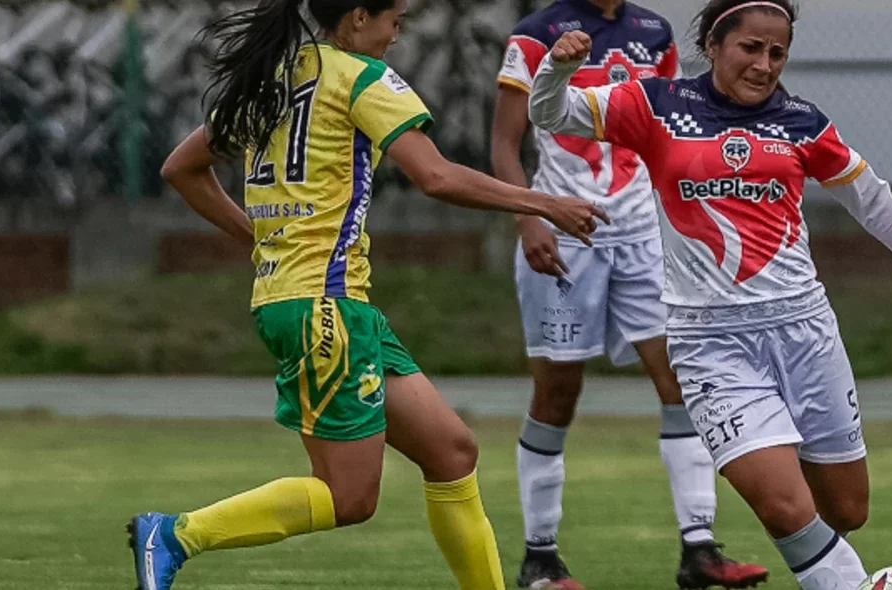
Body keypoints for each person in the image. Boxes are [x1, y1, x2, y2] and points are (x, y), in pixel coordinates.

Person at [130, 0, 608, 588]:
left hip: (319, 302)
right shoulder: (362, 78)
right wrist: (544, 202)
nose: (396, 35)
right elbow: (436, 175)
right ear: (358, 17)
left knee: (452, 452)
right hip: (325, 307)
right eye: (394, 21)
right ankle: (176, 534)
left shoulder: (276, 76)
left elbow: (181, 168)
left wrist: (261, 239)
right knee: (349, 496)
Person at [527, 0, 892, 587]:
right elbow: (550, 113)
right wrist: (558, 69)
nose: (764, 65)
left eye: (778, 53)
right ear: (713, 46)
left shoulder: (802, 122)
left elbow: (872, 200)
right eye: (750, 48)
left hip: (806, 333)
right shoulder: (656, 105)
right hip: (710, 344)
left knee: (847, 510)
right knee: (782, 507)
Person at [491, 1, 768, 588]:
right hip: (567, 237)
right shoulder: (536, 34)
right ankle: (540, 558)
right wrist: (530, 220)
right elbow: (503, 143)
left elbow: (667, 129)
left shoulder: (653, 32)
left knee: (680, 380)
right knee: (557, 393)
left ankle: (699, 549)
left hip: (644, 237)